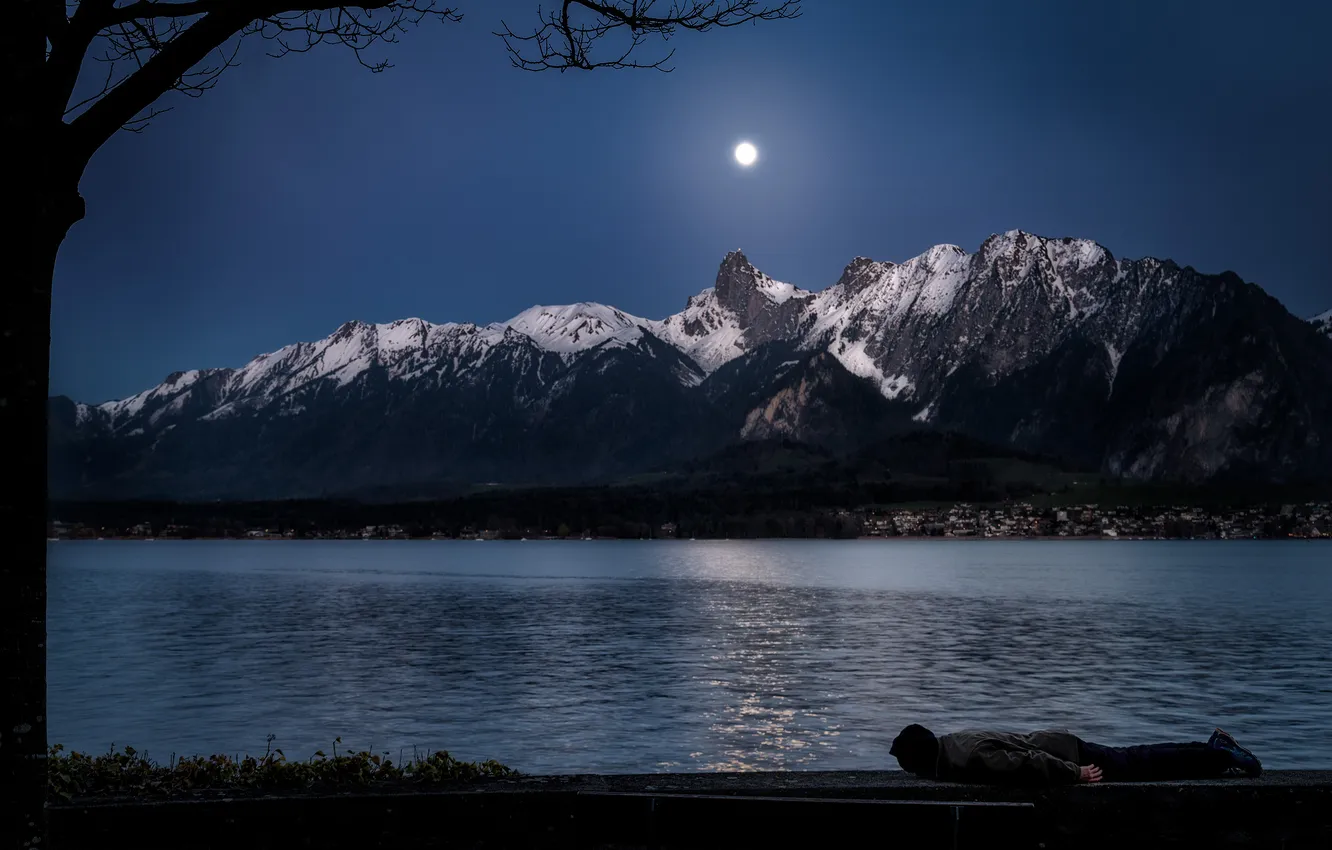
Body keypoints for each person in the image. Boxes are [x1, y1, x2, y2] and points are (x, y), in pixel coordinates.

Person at [889, 724, 1262, 784]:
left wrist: (1076, 773)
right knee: (1138, 756)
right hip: (1059, 743)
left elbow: (1026, 762)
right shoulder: (953, 743)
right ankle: (1210, 748)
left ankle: (1218, 755)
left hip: (1064, 754)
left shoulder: (967, 759)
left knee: (1140, 763)